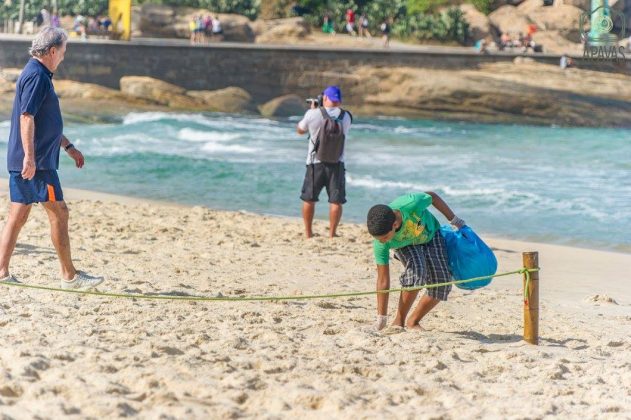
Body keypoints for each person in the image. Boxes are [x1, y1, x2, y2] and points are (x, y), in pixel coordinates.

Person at [0, 27, 104, 290]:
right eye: (63, 52)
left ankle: (1, 271)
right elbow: (27, 117)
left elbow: (46, 122)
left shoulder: (37, 74)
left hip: (30, 160)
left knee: (19, 214)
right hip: (38, 165)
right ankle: (69, 276)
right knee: (59, 212)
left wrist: (68, 147)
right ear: (52, 51)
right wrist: (31, 159)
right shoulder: (37, 76)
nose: (63, 58)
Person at [366, 192, 466, 331]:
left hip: (430, 235)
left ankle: (413, 321)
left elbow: (433, 197)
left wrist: (454, 219)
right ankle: (398, 322)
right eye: (378, 239)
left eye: (384, 237)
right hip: (404, 245)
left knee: (442, 284)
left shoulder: (411, 204)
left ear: (394, 224)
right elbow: (383, 280)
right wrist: (381, 318)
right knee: (418, 273)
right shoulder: (381, 243)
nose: (381, 241)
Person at [296, 86, 352, 239]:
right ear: (339, 100)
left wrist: (314, 109)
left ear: (325, 98)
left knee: (309, 198)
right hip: (337, 163)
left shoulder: (312, 114)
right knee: (336, 201)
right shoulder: (346, 116)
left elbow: (300, 130)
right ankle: (332, 234)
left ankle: (308, 233)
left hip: (315, 163)